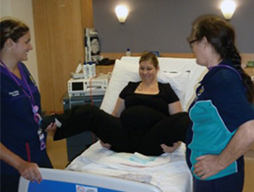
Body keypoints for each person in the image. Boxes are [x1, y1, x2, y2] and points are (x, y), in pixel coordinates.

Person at [42, 52, 190, 156]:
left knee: (184, 118)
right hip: (124, 138)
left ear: (157, 69)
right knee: (89, 111)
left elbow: (175, 121)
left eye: (149, 68)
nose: (145, 72)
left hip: (153, 140)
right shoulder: (130, 87)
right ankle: (55, 124)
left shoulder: (166, 90)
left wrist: (175, 146)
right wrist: (104, 136)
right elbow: (115, 115)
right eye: (142, 68)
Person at [185, 15, 254, 192]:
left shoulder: (223, 79)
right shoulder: (219, 76)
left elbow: (250, 129)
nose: (192, 48)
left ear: (205, 42)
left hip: (217, 178)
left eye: (192, 42)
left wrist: (219, 162)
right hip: (211, 176)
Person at [0, 19, 56, 192]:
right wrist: (20, 164)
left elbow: (29, 106)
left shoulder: (22, 69)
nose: (30, 47)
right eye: (26, 41)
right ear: (9, 43)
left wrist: (41, 123)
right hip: (12, 166)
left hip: (37, 153)